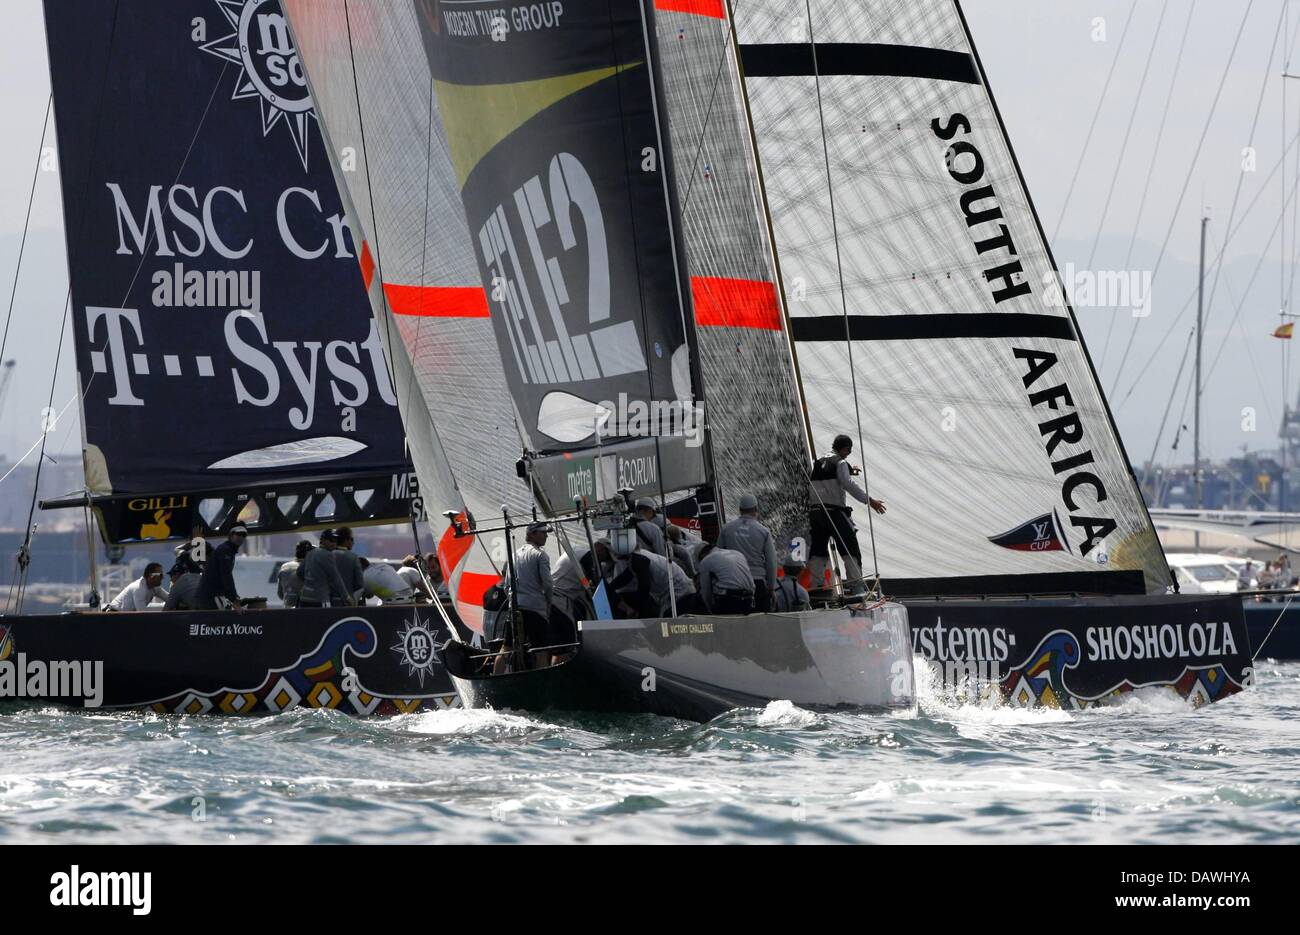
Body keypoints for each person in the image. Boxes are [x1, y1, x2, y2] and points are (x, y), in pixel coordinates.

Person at [808, 434, 886, 596]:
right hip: (834, 513)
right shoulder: (841, 463)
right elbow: (846, 483)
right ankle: (857, 588)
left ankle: (815, 589)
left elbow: (831, 470)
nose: (848, 454)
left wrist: (850, 469)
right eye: (848, 451)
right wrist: (869, 501)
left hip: (816, 513)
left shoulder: (819, 462)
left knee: (818, 550)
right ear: (844, 448)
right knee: (850, 549)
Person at [719, 493, 778, 611]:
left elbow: (719, 556)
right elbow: (771, 563)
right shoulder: (764, 531)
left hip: (733, 583)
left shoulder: (726, 529)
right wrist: (771, 588)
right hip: (757, 584)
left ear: (740, 510)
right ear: (756, 509)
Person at [509, 522, 555, 665]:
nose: (546, 535)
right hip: (535, 610)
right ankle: (546, 683)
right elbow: (548, 585)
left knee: (507, 648)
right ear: (532, 534)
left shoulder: (513, 555)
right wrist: (548, 605)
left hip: (515, 609)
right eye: (543, 532)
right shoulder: (541, 555)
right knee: (541, 650)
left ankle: (495, 677)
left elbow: (506, 586)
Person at [194, 524, 248, 612]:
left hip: (209, 596)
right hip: (210, 597)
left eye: (244, 535)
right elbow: (226, 576)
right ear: (230, 535)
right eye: (238, 534)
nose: (241, 537)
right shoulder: (225, 550)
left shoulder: (227, 550)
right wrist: (234, 599)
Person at [297, 529, 355, 608]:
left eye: (335, 540)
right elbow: (335, 578)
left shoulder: (311, 553)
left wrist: (310, 581)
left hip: (304, 598)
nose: (334, 543)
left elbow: (299, 572)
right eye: (331, 540)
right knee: (324, 620)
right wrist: (346, 597)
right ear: (323, 540)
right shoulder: (328, 555)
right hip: (320, 599)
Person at [696, 543, 755, 615]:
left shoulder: (706, 560)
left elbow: (706, 592)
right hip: (748, 599)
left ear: (702, 555)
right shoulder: (737, 553)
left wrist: (710, 610)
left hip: (728, 600)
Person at [333, 527, 366, 604]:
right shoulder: (353, 557)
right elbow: (360, 583)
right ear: (345, 540)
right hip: (347, 602)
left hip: (327, 602)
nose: (353, 543)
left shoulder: (327, 555)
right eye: (352, 539)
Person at [278, 540, 312, 608]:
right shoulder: (311, 568)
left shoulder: (284, 567)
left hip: (288, 608)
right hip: (306, 610)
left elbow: (280, 594)